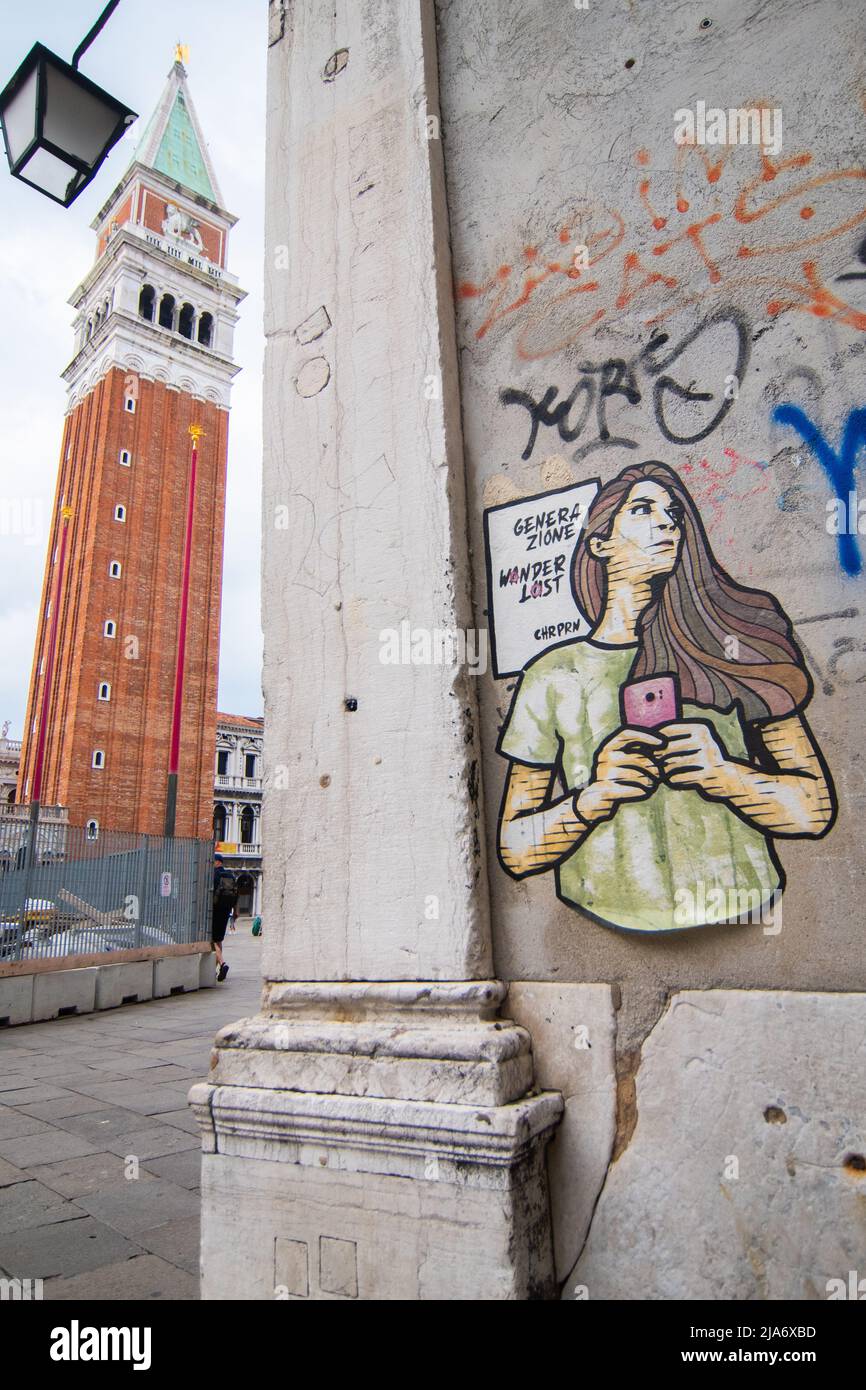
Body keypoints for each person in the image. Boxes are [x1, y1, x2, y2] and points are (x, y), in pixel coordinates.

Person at [497, 460, 836, 934]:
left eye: (674, 514)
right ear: (599, 543)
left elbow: (814, 809)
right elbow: (515, 847)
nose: (666, 523)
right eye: (642, 510)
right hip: (604, 913)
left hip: (745, 905)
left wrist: (724, 775)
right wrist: (593, 798)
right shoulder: (552, 675)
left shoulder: (729, 645)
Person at [212, 853, 238, 980]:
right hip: (226, 911)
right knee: (219, 940)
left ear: (217, 862)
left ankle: (222, 964)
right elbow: (235, 894)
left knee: (212, 940)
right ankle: (214, 971)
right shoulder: (230, 875)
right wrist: (235, 911)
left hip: (215, 911)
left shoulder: (214, 875)